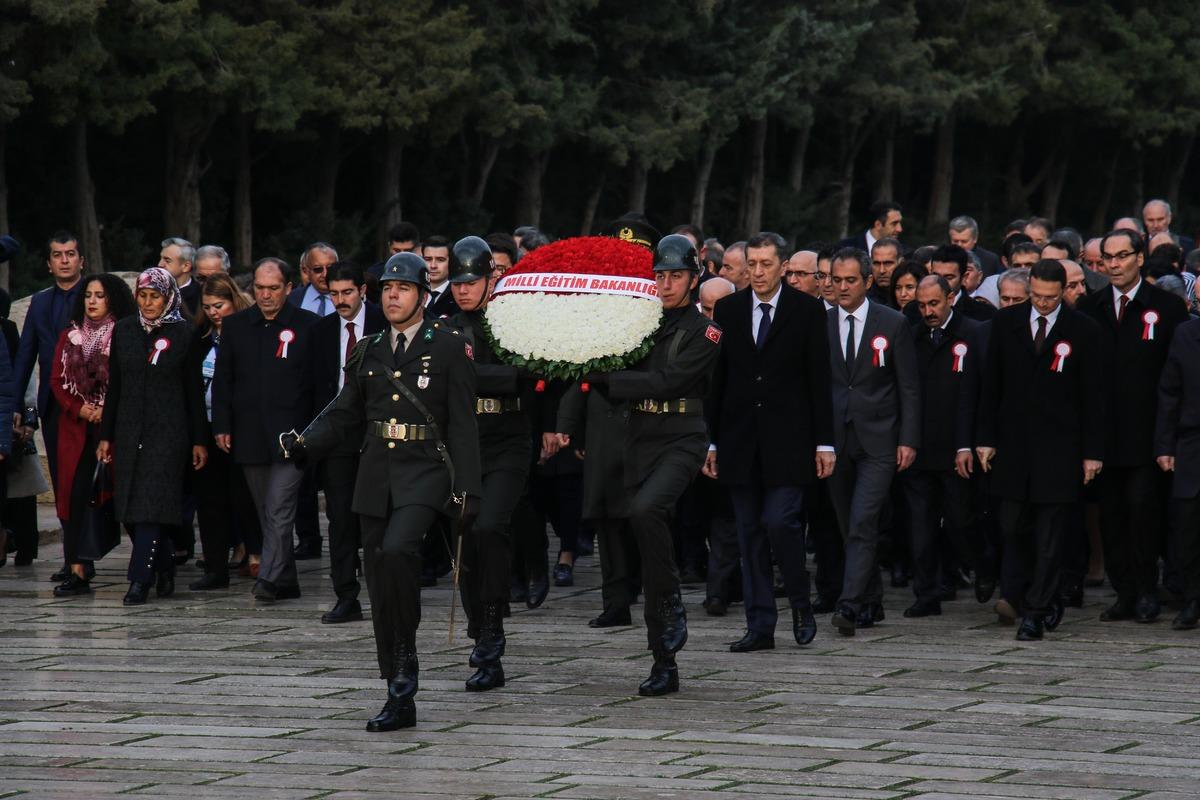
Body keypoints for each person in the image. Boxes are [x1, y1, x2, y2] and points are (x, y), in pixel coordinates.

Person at [284, 251, 481, 731]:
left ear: (422, 296)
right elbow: (345, 409)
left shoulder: (449, 345)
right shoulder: (368, 349)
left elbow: (463, 423)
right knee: (379, 577)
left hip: (425, 471)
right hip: (375, 474)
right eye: (388, 288)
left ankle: (404, 669)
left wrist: (468, 489)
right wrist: (306, 441)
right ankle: (398, 684)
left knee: (398, 552)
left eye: (404, 288)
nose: (393, 296)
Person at [582, 234, 720, 693]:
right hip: (639, 438)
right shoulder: (637, 324)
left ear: (694, 278)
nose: (665, 284)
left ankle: (673, 605)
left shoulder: (706, 333)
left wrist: (607, 376)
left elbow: (666, 382)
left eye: (675, 275)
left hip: (682, 437)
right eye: (659, 275)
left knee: (647, 511)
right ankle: (663, 659)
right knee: (640, 533)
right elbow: (608, 374)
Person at [707, 232, 834, 651]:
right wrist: (711, 442)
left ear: (782, 266)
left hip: (790, 440)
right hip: (740, 440)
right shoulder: (727, 308)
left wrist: (825, 443)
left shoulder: (808, 310)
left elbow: (819, 380)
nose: (758, 272)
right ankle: (760, 625)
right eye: (753, 264)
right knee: (749, 534)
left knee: (781, 523)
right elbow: (718, 381)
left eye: (766, 264)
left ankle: (800, 602)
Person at [977, 259, 1104, 641]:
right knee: (1011, 525)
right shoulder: (1005, 323)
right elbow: (990, 385)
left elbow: (1094, 397)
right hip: (1014, 446)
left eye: (1050, 297)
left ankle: (1036, 609)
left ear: (1063, 292)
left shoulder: (1083, 330)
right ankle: (1020, 590)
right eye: (1037, 296)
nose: (1043, 303)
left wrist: (1092, 452)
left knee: (1051, 532)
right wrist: (984, 438)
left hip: (1060, 448)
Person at [1078, 229, 1189, 623]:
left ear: (1139, 258)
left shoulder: (1167, 307)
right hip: (1103, 437)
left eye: (1122, 256)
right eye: (1107, 257)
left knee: (1144, 512)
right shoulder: (1089, 309)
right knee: (1111, 517)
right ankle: (1123, 592)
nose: (1113, 264)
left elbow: (1177, 376)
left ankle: (1146, 590)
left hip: (1149, 435)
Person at [443, 236, 531, 690]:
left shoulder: (510, 324)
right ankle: (482, 636)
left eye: (471, 281)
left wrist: (467, 375)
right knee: (466, 542)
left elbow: (522, 375)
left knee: (489, 526)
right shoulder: (445, 327)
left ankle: (492, 635)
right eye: (457, 281)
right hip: (464, 445)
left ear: (490, 279)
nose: (462, 290)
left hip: (507, 441)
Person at [212, 257, 320, 603]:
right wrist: (222, 425)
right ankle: (287, 579)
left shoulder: (309, 325)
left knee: (278, 506)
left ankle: (270, 579)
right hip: (249, 434)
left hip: (293, 437)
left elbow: (317, 385)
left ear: (289, 288)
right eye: (259, 287)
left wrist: (315, 432)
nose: (266, 295)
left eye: (274, 288)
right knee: (265, 510)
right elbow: (224, 381)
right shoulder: (236, 326)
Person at [98, 268, 207, 605]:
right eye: (143, 296)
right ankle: (163, 565)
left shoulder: (184, 333)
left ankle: (138, 580)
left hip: (169, 433)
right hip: (129, 430)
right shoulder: (125, 330)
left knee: (151, 506)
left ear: (168, 297)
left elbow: (193, 391)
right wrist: (106, 435)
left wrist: (199, 439)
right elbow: (115, 385)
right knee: (130, 508)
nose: (148, 303)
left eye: (155, 296)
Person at [826, 247, 920, 635]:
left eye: (851, 280)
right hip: (834, 440)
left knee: (864, 520)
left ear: (867, 281)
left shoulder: (893, 323)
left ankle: (848, 606)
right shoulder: (822, 323)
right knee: (849, 523)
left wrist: (909, 439)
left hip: (880, 439)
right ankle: (872, 598)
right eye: (836, 280)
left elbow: (909, 387)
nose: (843, 287)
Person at [901, 275, 988, 617]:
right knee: (920, 527)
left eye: (934, 303)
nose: (928, 311)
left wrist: (969, 443)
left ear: (951, 297)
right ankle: (926, 593)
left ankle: (982, 566)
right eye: (921, 306)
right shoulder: (912, 335)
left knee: (960, 521)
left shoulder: (973, 333)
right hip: (921, 448)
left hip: (957, 448)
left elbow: (978, 394)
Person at [48, 275, 134, 596]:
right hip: (76, 429)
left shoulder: (123, 334)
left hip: (112, 428)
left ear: (112, 299)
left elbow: (127, 380)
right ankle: (77, 569)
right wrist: (80, 409)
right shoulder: (69, 337)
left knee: (123, 496)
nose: (92, 301)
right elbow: (57, 381)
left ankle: (151, 564)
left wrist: (105, 410)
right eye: (88, 295)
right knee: (74, 496)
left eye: (100, 295)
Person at [310, 262, 387, 621]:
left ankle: (385, 592)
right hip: (337, 436)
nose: (341, 300)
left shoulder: (384, 324)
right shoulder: (321, 331)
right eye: (334, 294)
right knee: (340, 517)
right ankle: (346, 595)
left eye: (347, 293)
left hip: (378, 434)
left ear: (362, 291)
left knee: (377, 516)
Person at [14, 232, 85, 580]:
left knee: (92, 482)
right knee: (64, 482)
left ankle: (88, 553)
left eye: (70, 254)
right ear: (49, 263)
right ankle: (73, 557)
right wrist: (16, 405)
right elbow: (26, 354)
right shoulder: (41, 303)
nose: (65, 260)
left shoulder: (96, 297)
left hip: (92, 405)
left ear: (81, 260)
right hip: (54, 405)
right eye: (58, 255)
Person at [190, 273, 262, 590]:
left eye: (219, 305)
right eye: (207, 307)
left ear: (233, 301)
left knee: (245, 497)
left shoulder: (249, 333)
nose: (214, 312)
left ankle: (257, 555)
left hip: (242, 429)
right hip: (206, 429)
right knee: (209, 501)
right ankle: (215, 566)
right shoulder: (200, 338)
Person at [1156, 317, 1200, 629]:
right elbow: (1169, 391)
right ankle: (1193, 597)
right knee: (1186, 525)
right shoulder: (1185, 334)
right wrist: (1164, 445)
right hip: (1191, 443)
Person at [288, 243, 338, 317]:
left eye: (330, 268)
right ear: (306, 271)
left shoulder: (352, 298)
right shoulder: (290, 299)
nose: (325, 274)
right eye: (318, 269)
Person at [159, 237, 201, 314]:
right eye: (161, 258)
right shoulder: (151, 290)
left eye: (167, 261)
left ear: (186, 266)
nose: (160, 264)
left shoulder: (200, 297)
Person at [422, 236, 459, 318]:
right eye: (428, 259)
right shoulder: (413, 293)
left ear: (451, 262)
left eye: (440, 260)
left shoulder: (459, 295)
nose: (433, 265)